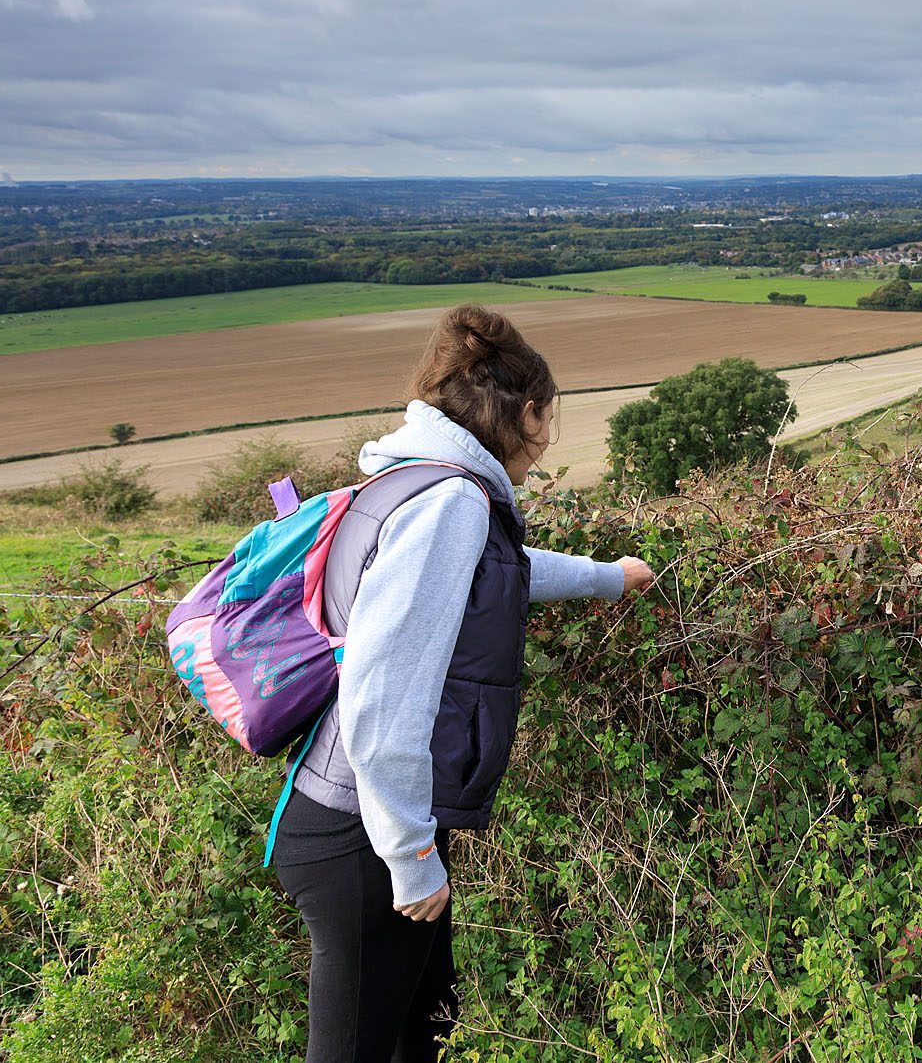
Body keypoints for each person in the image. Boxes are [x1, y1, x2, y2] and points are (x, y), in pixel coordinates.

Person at [270, 304, 654, 1061]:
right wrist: (410, 857)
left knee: (427, 1029)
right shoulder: (447, 502)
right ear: (528, 412)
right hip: (365, 835)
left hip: (362, 819)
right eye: (549, 421)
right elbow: (381, 696)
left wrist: (608, 577)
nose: (546, 445)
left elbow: (486, 575)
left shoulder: (416, 484)